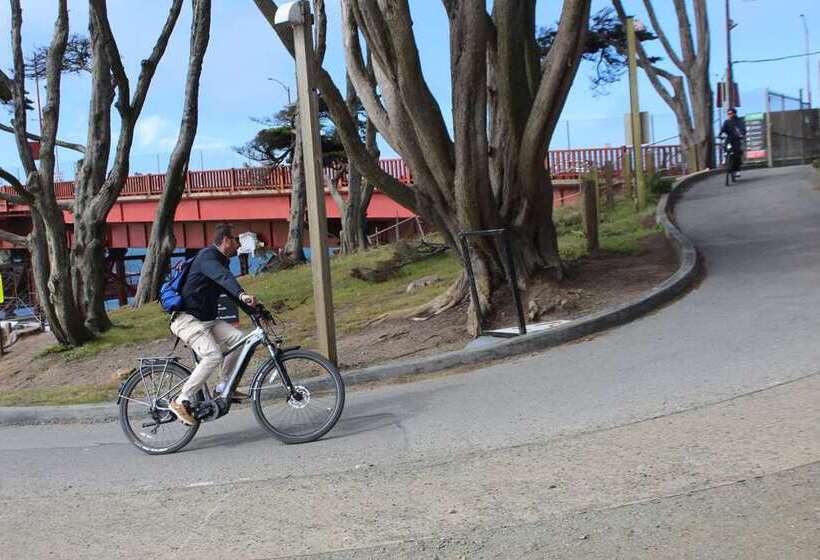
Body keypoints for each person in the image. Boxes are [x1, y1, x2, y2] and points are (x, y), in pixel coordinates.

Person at [168, 223, 257, 426]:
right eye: (236, 240)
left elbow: (228, 288)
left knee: (240, 339)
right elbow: (223, 278)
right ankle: (182, 400)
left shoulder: (220, 262)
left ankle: (225, 386)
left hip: (206, 320)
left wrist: (255, 311)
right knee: (213, 355)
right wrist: (242, 294)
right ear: (226, 240)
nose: (239, 245)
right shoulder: (208, 257)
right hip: (187, 320)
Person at [720, 108, 746, 177]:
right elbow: (723, 130)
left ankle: (737, 170)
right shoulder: (726, 122)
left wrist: (741, 134)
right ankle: (726, 160)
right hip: (729, 140)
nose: (729, 115)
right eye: (728, 114)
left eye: (731, 113)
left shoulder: (739, 121)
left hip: (736, 140)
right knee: (727, 149)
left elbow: (742, 129)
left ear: (734, 113)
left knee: (737, 153)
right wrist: (721, 135)